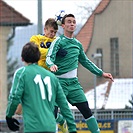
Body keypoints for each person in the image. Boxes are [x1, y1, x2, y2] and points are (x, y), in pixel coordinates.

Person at [46, 14, 114, 133]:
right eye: (69, 22)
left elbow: (86, 62)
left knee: (86, 111)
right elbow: (49, 57)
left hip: (73, 84)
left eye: (73, 22)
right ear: (63, 26)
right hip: (59, 83)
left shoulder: (77, 44)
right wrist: (51, 65)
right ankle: (59, 122)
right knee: (53, 113)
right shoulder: (58, 41)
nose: (72, 24)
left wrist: (101, 73)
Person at [5, 42, 77, 133]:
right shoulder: (52, 77)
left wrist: (9, 116)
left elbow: (14, 97)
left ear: (22, 58)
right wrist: (72, 128)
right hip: (51, 127)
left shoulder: (22, 73)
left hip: (33, 127)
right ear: (39, 58)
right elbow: (64, 105)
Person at [15, 18, 72, 133]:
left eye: (55, 32)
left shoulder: (57, 41)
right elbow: (37, 52)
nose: (53, 34)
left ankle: (61, 121)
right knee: (20, 108)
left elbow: (62, 54)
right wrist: (53, 52)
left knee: (50, 110)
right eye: (51, 31)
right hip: (35, 75)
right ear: (45, 29)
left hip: (51, 78)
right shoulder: (36, 38)